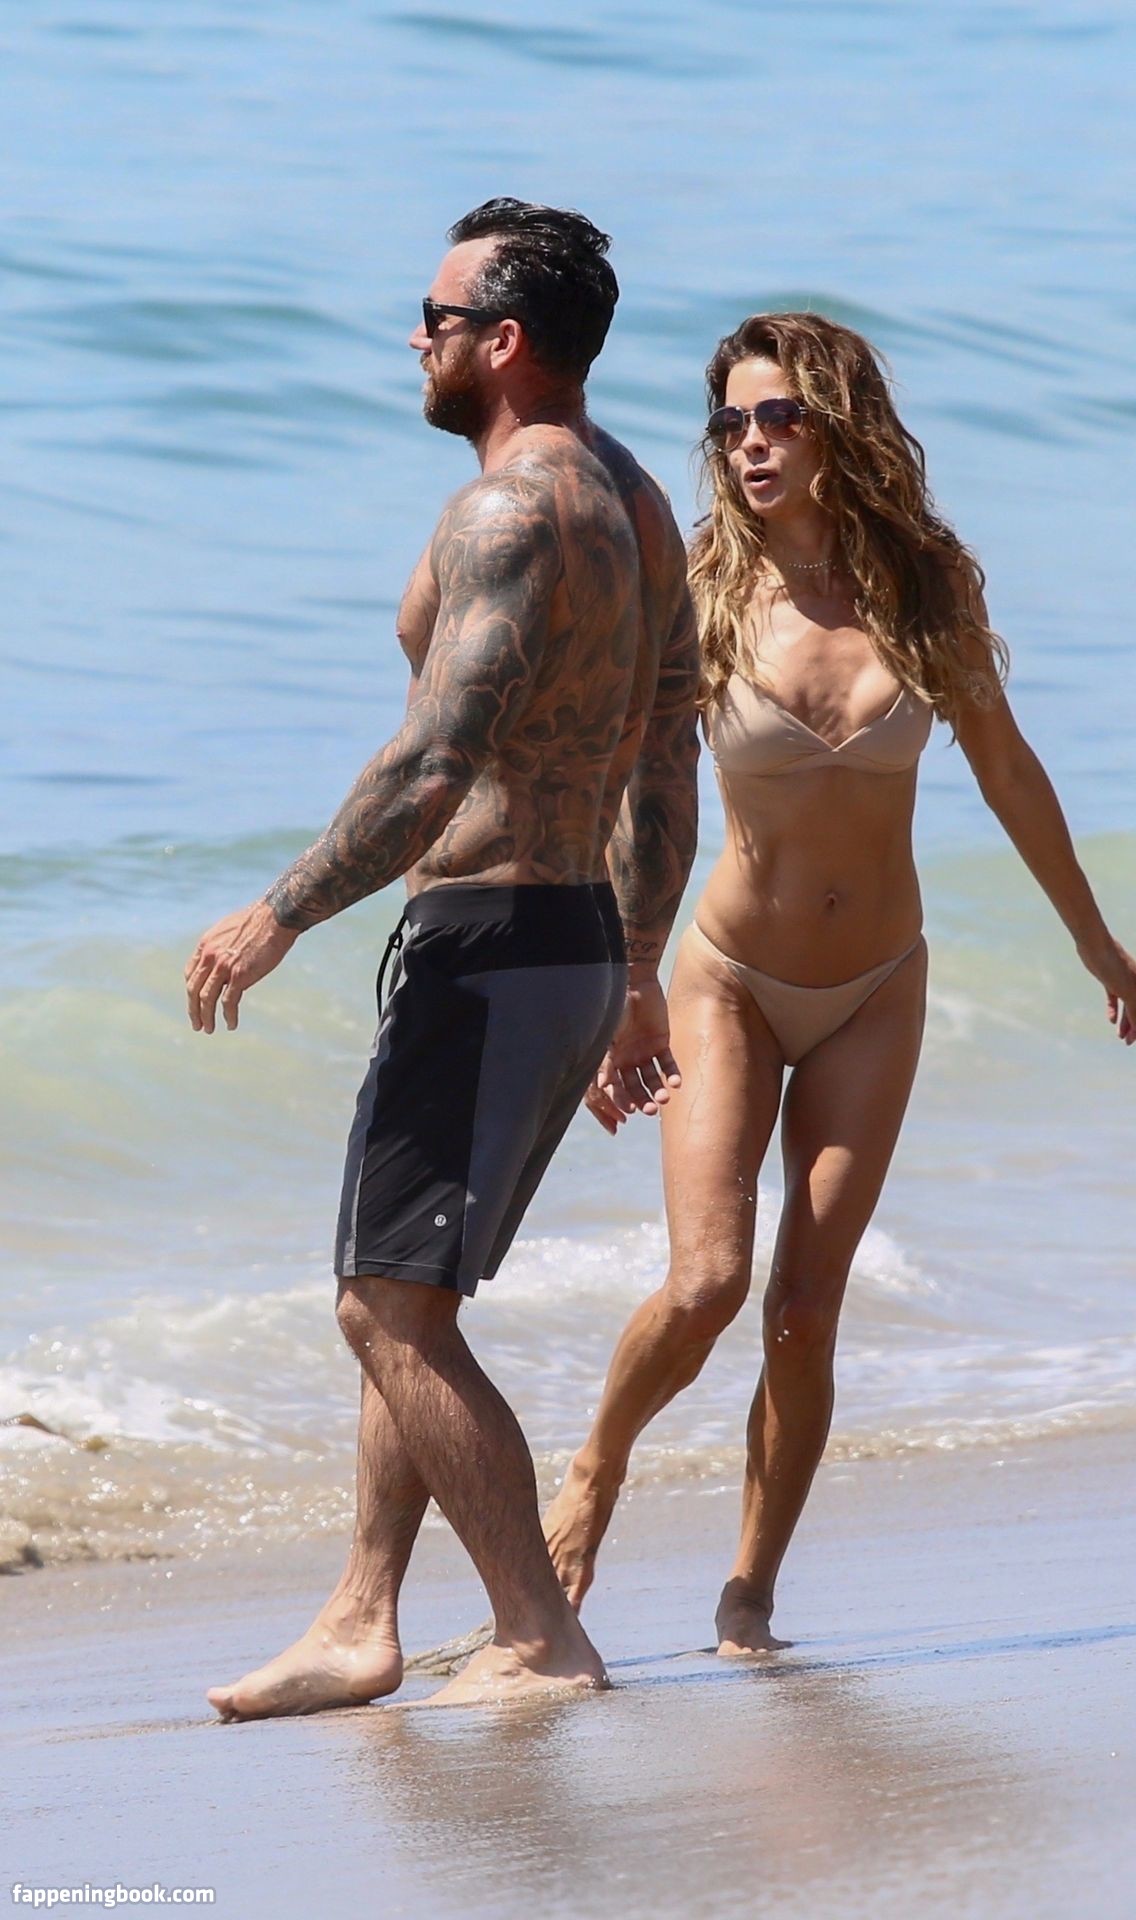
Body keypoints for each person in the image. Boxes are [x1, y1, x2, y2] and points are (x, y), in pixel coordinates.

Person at [540, 310, 1136, 1657]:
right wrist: (616, 984)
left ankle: (749, 1598)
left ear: (840, 427)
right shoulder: (699, 590)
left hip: (875, 985)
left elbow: (1007, 768)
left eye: (780, 418)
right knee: (708, 1282)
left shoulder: (925, 589)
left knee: (805, 1313)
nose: (751, 445)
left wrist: (1094, 942)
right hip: (728, 978)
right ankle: (594, 1468)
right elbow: (627, 796)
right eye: (731, 424)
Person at [184, 199, 700, 1716]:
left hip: (485, 943)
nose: (417, 340)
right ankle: (361, 1618)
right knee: (411, 1294)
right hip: (569, 939)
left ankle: (539, 1631)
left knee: (383, 1307)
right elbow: (667, 750)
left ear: (506, 341)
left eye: (438, 317)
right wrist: (635, 965)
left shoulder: (508, 512)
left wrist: (279, 913)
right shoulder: (636, 502)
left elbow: (434, 759)